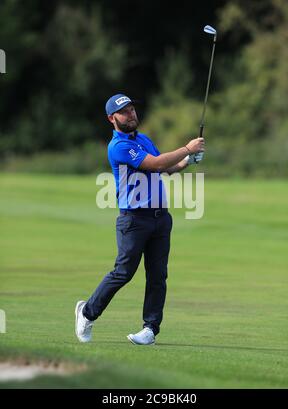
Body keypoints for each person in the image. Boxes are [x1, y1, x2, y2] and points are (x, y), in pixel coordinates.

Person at [75, 94, 205, 345]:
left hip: (160, 218)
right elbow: (155, 163)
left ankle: (150, 329)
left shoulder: (143, 139)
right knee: (123, 272)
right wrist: (187, 148)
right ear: (112, 118)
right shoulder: (118, 146)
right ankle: (87, 312)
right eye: (124, 111)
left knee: (158, 275)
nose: (131, 114)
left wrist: (188, 160)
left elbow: (165, 168)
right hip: (133, 220)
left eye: (132, 109)